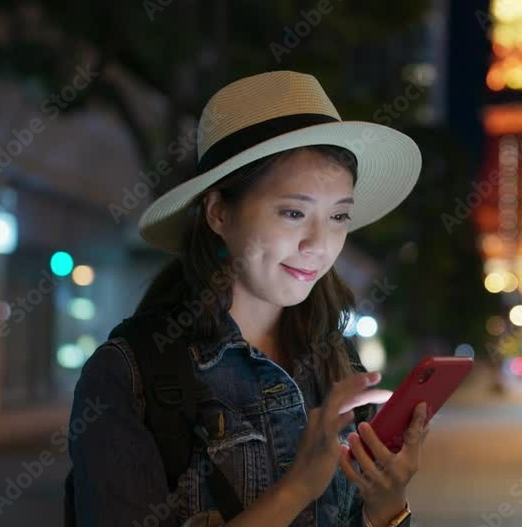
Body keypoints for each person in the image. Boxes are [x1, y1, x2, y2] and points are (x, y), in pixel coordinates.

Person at [68, 71, 425, 527]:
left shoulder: (336, 364)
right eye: (294, 212)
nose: (319, 244)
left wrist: (387, 505)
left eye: (338, 216)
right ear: (219, 212)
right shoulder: (130, 374)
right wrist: (296, 488)